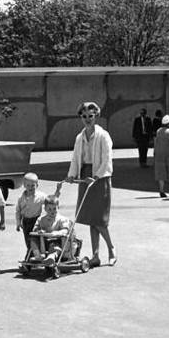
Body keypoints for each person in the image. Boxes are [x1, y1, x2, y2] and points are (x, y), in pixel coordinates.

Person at [63, 101, 115, 267]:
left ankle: (111, 248)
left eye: (90, 116)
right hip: (85, 176)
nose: (87, 119)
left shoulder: (103, 135)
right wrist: (71, 175)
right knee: (91, 219)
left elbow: (107, 159)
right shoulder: (80, 137)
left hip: (100, 178)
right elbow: (76, 158)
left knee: (99, 219)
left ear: (96, 116)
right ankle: (96, 256)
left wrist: (97, 176)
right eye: (84, 116)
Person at [28, 195, 73, 264]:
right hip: (43, 241)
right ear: (45, 209)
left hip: (56, 241)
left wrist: (56, 233)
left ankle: (51, 257)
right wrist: (39, 231)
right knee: (33, 239)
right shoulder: (41, 219)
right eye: (49, 209)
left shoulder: (62, 219)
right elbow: (35, 229)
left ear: (58, 207)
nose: (52, 211)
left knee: (54, 247)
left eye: (54, 209)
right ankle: (38, 256)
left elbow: (65, 230)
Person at [14, 172, 48, 249]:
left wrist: (57, 192)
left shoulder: (41, 196)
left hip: (36, 220)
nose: (30, 187)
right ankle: (30, 253)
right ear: (24, 185)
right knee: (27, 238)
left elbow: (50, 200)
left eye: (33, 185)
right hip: (25, 221)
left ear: (37, 185)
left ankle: (37, 253)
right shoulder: (21, 198)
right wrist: (18, 223)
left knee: (36, 238)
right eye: (28, 185)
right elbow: (18, 211)